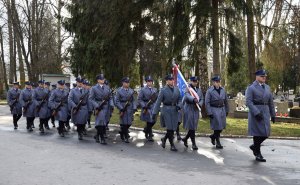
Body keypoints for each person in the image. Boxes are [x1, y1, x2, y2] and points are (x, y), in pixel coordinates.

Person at [246, 69, 275, 162]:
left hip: (265, 112)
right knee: (257, 134)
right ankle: (258, 153)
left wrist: (273, 114)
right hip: (256, 112)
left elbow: (271, 102)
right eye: (262, 76)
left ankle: (254, 147)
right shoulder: (251, 88)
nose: (264, 78)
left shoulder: (267, 87)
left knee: (266, 133)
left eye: (265, 76)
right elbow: (248, 102)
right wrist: (256, 112)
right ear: (257, 77)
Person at [152, 74, 182, 152]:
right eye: (170, 80)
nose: (172, 81)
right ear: (167, 81)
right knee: (170, 128)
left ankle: (164, 139)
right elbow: (158, 102)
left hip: (175, 110)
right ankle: (172, 145)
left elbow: (180, 99)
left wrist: (179, 105)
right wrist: (154, 113)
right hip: (166, 110)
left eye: (172, 79)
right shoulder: (163, 90)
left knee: (173, 128)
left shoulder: (176, 89)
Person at [205, 75, 229, 149]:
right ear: (213, 82)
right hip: (214, 109)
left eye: (219, 82)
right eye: (216, 82)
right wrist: (209, 112)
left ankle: (213, 136)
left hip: (222, 109)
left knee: (221, 126)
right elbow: (207, 102)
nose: (218, 83)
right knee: (217, 127)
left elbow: (226, 101)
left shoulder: (223, 90)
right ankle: (218, 142)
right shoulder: (209, 91)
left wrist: (227, 110)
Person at [89, 74, 113, 144]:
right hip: (99, 107)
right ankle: (102, 138)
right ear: (98, 80)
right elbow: (91, 99)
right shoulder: (94, 88)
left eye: (103, 79)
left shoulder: (107, 87)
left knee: (104, 122)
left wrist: (111, 104)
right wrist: (97, 106)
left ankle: (97, 135)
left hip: (107, 107)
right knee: (100, 122)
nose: (103, 80)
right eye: (101, 79)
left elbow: (110, 97)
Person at [182, 76, 204, 150]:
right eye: (194, 81)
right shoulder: (188, 89)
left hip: (196, 109)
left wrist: (200, 104)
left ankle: (185, 139)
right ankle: (193, 143)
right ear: (191, 81)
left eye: (196, 81)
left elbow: (202, 98)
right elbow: (187, 96)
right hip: (189, 108)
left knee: (193, 126)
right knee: (192, 127)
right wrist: (193, 99)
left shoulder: (199, 90)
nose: (195, 83)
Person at [115, 77, 137, 143]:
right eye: (126, 82)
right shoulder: (119, 90)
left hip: (129, 108)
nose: (127, 84)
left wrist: (134, 107)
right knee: (124, 123)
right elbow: (117, 101)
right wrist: (121, 108)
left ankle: (122, 132)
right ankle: (125, 136)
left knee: (129, 123)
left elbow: (134, 100)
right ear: (123, 83)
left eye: (128, 82)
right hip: (123, 107)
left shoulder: (131, 91)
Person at [138, 75, 158, 142]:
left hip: (153, 106)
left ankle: (146, 129)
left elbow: (156, 98)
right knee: (149, 120)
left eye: (151, 81)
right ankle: (149, 135)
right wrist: (144, 106)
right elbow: (140, 99)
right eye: (148, 81)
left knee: (154, 120)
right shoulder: (143, 90)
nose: (150, 82)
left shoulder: (155, 89)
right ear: (146, 82)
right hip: (147, 106)